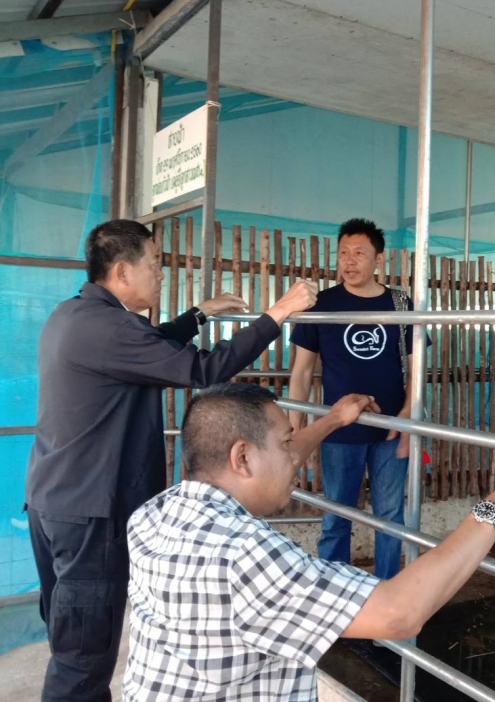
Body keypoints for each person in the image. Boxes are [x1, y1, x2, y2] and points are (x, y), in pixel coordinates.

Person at [124, 382, 495, 701]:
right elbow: (398, 613)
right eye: (285, 444)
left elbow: (275, 462)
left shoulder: (155, 513)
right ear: (242, 457)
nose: (296, 459)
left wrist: (332, 421)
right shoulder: (244, 555)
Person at [24, 219, 317, 702]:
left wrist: (197, 316)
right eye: (155, 263)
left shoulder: (74, 315)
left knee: (70, 639)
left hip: (52, 501)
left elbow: (147, 346)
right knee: (82, 661)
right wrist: (277, 314)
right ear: (122, 271)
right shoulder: (111, 329)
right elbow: (204, 369)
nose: (161, 273)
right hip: (91, 515)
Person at [288, 218, 418, 579]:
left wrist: (407, 415)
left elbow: (417, 369)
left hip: (390, 430)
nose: (349, 260)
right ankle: (333, 591)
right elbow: (301, 373)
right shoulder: (322, 305)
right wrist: (294, 432)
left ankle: (387, 589)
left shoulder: (400, 304)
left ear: (379, 259)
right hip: (339, 432)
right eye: (343, 252)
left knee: (390, 517)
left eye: (360, 253)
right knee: (336, 516)